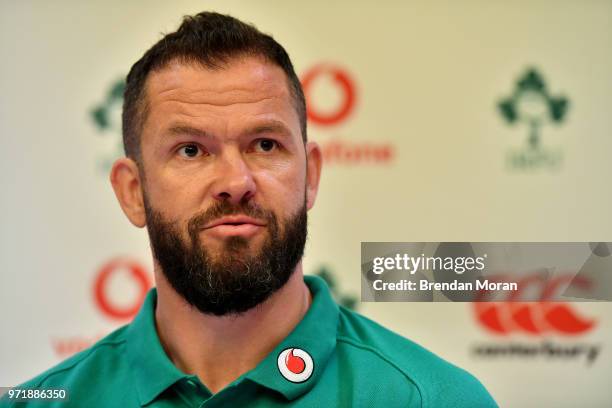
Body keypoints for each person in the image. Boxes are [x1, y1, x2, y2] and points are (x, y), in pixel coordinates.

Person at [1, 11, 497, 407]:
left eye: (264, 145)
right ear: (133, 191)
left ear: (311, 176)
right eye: (191, 150)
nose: (236, 183)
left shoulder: (430, 399)